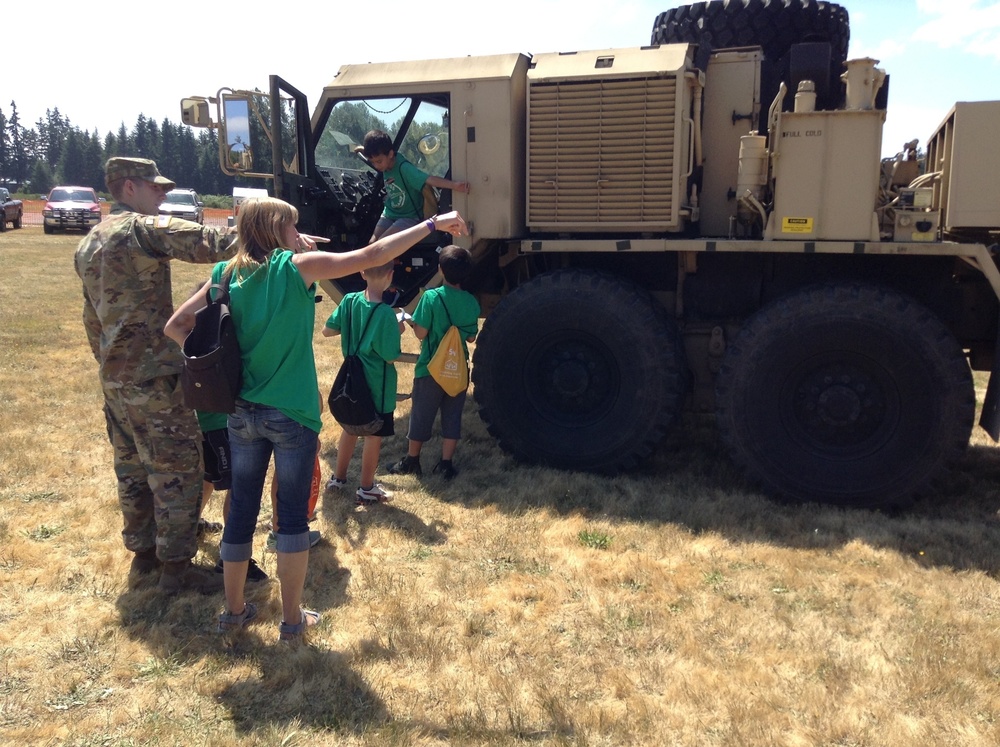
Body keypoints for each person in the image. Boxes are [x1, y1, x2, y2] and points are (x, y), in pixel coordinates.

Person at [166, 198, 468, 640]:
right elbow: (371, 256)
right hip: (292, 414)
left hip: (241, 413)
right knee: (291, 519)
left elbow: (178, 325)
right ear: (277, 229)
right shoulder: (296, 268)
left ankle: (233, 612)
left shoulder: (225, 274)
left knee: (241, 513)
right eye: (292, 226)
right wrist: (432, 222)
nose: (299, 232)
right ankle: (291, 621)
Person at [75, 156, 237, 595]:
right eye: (156, 188)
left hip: (116, 380)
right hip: (156, 380)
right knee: (178, 471)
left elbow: (92, 320)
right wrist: (267, 232)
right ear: (129, 188)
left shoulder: (88, 244)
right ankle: (175, 570)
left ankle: (143, 556)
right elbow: (210, 243)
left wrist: (112, 366)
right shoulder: (139, 228)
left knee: (132, 470)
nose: (163, 195)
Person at [388, 245, 480, 480]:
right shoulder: (471, 301)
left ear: (440, 269)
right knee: (452, 416)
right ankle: (446, 463)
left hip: (430, 367)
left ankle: (412, 460)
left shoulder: (431, 297)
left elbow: (421, 333)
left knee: (421, 414)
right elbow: (470, 336)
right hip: (458, 368)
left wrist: (409, 321)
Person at [322, 261, 402, 505]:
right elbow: (390, 355)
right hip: (377, 387)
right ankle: (367, 487)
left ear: (362, 271)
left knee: (350, 428)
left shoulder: (348, 301)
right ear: (390, 276)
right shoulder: (387, 314)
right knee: (372, 436)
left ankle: (338, 478)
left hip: (350, 383)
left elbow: (327, 330)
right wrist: (396, 329)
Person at [362, 129, 470, 241]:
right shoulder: (384, 161)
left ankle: (395, 259)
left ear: (390, 154)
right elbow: (374, 156)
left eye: (378, 161)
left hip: (408, 216)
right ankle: (394, 259)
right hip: (390, 213)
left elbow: (429, 179)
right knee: (372, 244)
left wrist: (454, 185)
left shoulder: (404, 168)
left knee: (382, 246)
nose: (376, 166)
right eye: (372, 162)